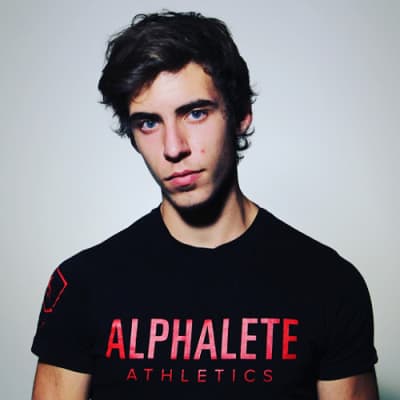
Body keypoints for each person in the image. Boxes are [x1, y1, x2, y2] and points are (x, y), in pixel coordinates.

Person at [31, 11, 379, 400]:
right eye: (148, 123)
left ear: (240, 115)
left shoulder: (328, 284)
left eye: (195, 113)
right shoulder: (82, 286)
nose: (173, 148)